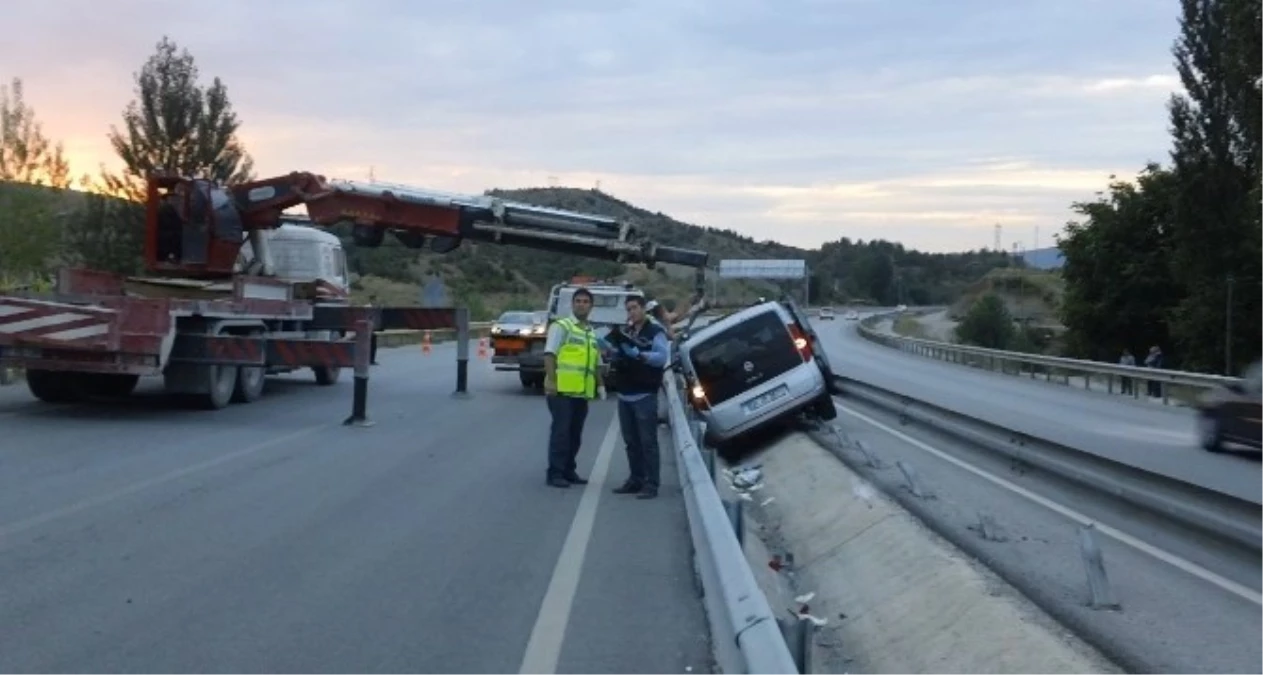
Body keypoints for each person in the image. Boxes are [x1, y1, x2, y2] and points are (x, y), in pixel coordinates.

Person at [604, 296, 671, 499]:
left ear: (643, 309)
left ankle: (651, 484)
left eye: (634, 308)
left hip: (644, 394)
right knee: (631, 441)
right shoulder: (628, 331)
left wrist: (640, 355)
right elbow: (619, 354)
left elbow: (661, 358)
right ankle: (635, 479)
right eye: (628, 309)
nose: (631, 312)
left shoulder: (655, 332)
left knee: (647, 442)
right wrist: (613, 352)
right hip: (625, 393)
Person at [543, 288, 605, 489]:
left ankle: (569, 470)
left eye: (585, 301)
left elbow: (595, 361)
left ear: (591, 306)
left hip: (581, 393)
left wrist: (601, 384)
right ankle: (555, 473)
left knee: (575, 434)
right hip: (561, 391)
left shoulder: (589, 332)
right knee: (561, 432)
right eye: (578, 301)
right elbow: (549, 355)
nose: (581, 304)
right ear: (572, 304)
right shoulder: (562, 326)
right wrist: (552, 381)